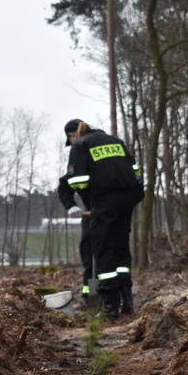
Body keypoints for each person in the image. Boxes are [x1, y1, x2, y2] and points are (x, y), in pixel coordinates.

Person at [63, 119, 144, 318]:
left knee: (102, 252)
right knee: (121, 249)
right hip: (127, 200)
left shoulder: (81, 145)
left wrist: (89, 205)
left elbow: (77, 182)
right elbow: (135, 173)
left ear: (73, 135)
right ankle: (127, 300)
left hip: (102, 204)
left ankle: (109, 306)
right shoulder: (114, 141)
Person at [56, 172, 93, 304]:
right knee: (90, 260)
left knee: (110, 259)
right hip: (91, 217)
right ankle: (91, 299)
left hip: (112, 217)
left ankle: (118, 298)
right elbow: (64, 186)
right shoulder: (82, 165)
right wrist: (71, 207)